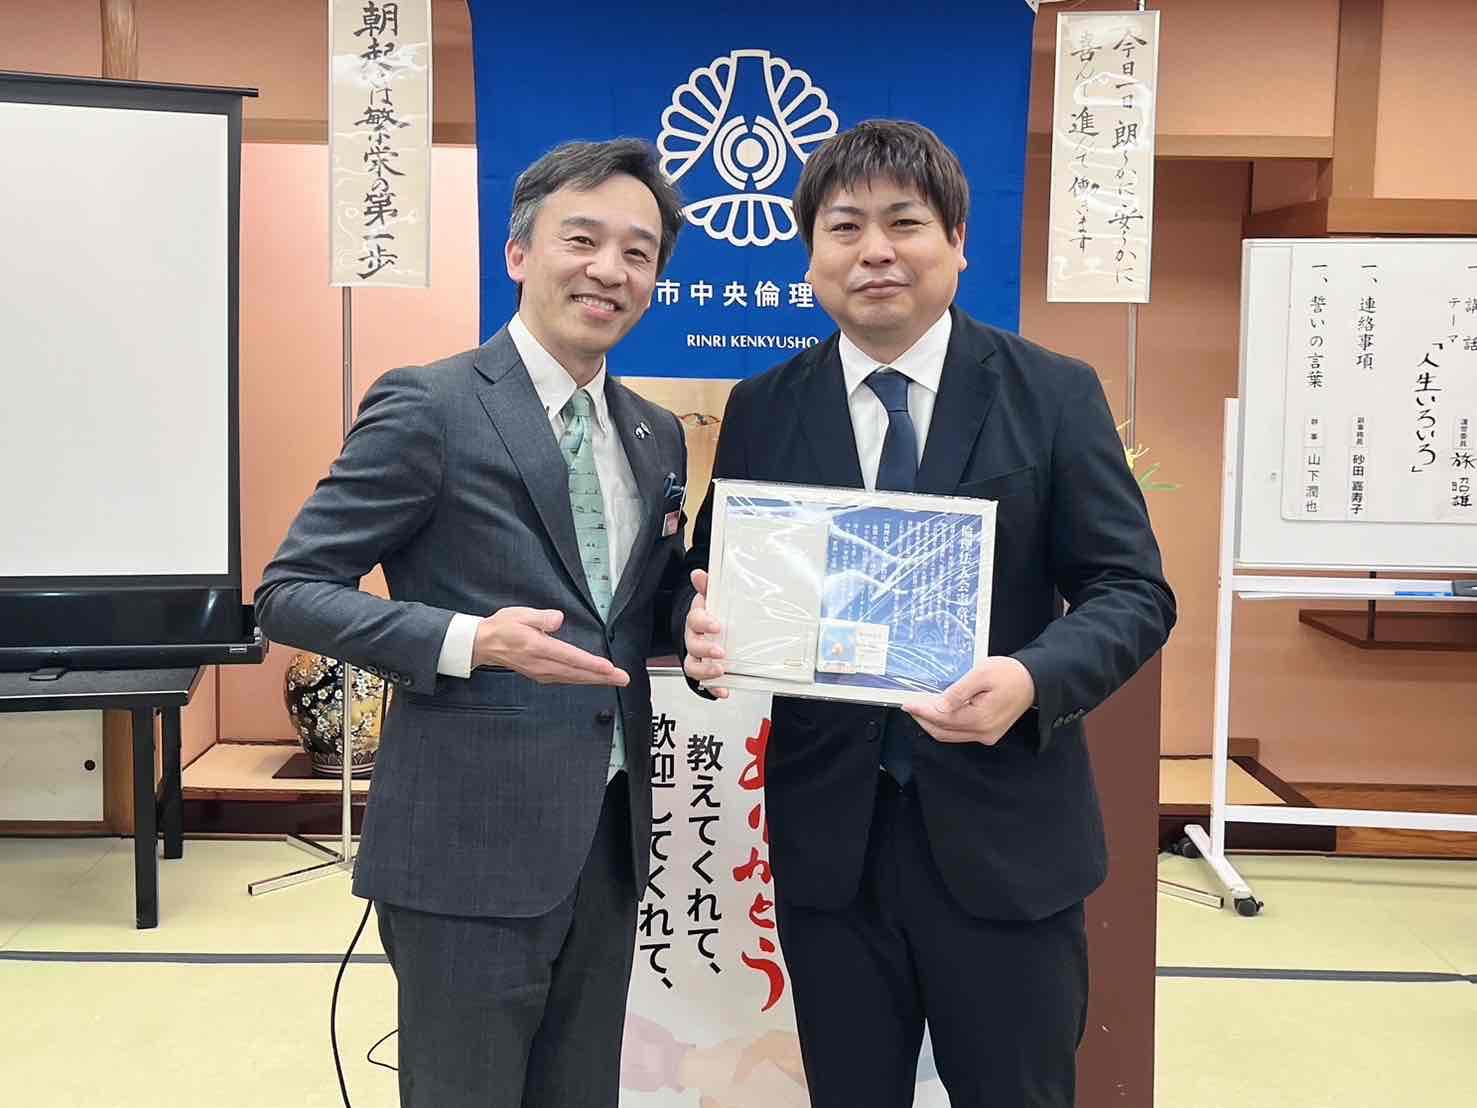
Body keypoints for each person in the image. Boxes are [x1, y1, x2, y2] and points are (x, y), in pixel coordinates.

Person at [680, 120, 1176, 1108]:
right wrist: (696, 630)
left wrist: (1031, 676)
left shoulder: (1050, 393)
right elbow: (709, 576)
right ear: (810, 255)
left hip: (1007, 841)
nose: (874, 250)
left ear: (956, 242)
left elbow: (1132, 589)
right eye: (843, 227)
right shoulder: (765, 406)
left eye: (903, 222)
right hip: (831, 848)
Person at [256, 138, 690, 1108]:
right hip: (465, 843)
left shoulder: (654, 432)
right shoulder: (432, 405)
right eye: (582, 239)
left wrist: (699, 617)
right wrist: (468, 640)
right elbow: (291, 589)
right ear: (519, 252)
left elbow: (639, 606)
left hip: (606, 840)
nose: (609, 270)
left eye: (638, 252)